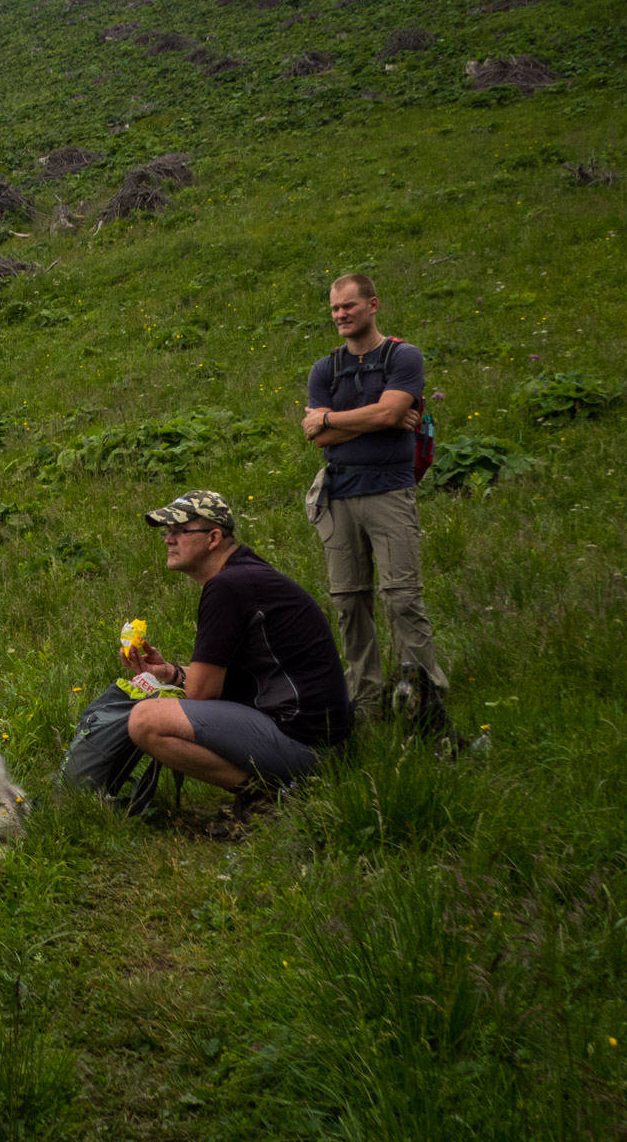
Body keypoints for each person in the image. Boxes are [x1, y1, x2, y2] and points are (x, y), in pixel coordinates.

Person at [122, 490, 354, 823]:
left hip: (308, 746)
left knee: (146, 721)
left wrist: (176, 686)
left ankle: (270, 798)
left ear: (213, 537)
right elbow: (226, 682)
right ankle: (273, 790)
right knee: (158, 707)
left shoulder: (227, 587)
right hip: (321, 738)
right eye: (167, 532)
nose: (168, 540)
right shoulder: (243, 573)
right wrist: (169, 673)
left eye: (179, 531)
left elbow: (202, 694)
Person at [300, 273, 450, 722]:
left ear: (373, 305)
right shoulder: (325, 368)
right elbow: (315, 433)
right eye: (334, 309)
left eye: (349, 306)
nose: (341, 315)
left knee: (401, 597)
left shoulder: (403, 356)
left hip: (390, 489)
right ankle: (365, 698)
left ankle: (425, 695)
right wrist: (378, 417)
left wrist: (332, 419)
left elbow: (387, 413)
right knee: (348, 601)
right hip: (340, 493)